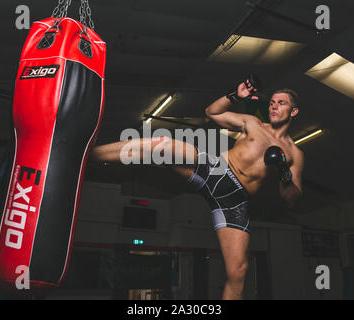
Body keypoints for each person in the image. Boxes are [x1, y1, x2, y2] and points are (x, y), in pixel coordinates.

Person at [90, 76, 304, 300]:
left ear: (294, 111)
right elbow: (212, 112)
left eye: (281, 103)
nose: (274, 106)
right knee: (161, 145)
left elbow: (290, 198)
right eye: (272, 102)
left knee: (238, 273)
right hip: (216, 170)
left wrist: (284, 173)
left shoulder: (295, 154)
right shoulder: (253, 123)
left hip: (235, 201)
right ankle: (88, 156)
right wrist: (233, 96)